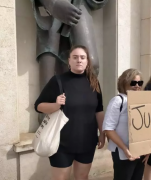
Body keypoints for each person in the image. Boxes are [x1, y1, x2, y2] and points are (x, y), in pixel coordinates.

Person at [34, 45, 105, 180]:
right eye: (75, 57)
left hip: (87, 141)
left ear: (87, 61)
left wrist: (102, 133)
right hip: (61, 143)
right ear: (69, 61)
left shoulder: (94, 82)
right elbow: (38, 106)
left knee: (82, 177)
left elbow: (99, 110)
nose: (79, 60)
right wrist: (56, 105)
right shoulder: (58, 81)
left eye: (82, 57)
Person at [103, 69, 147, 180]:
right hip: (122, 153)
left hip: (140, 151)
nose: (137, 86)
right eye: (133, 83)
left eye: (140, 83)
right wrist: (125, 149)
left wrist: (148, 149)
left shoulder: (142, 100)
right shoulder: (117, 101)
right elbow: (108, 129)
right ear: (124, 82)